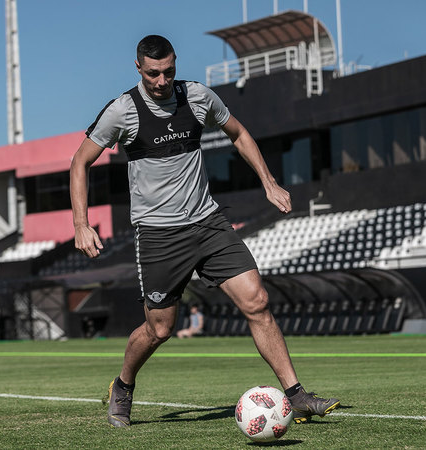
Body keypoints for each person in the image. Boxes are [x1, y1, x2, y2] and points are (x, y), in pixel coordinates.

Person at [70, 35, 340, 427]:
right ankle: (123, 386)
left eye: (169, 71)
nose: (162, 81)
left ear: (176, 63)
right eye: (153, 74)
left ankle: (296, 395)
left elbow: (240, 134)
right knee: (160, 328)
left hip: (208, 222)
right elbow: (80, 163)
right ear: (138, 68)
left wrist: (268, 181)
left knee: (257, 301)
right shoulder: (122, 111)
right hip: (160, 235)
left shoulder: (196, 96)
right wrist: (81, 223)